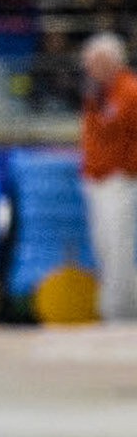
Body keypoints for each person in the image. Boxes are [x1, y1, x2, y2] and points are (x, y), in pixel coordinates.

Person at [79, 32, 137, 321]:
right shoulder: (98, 93)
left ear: (110, 62)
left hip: (119, 179)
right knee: (104, 247)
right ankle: (120, 308)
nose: (88, 70)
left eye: (93, 63)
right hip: (97, 180)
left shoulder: (129, 92)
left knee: (118, 248)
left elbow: (114, 131)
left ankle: (118, 313)